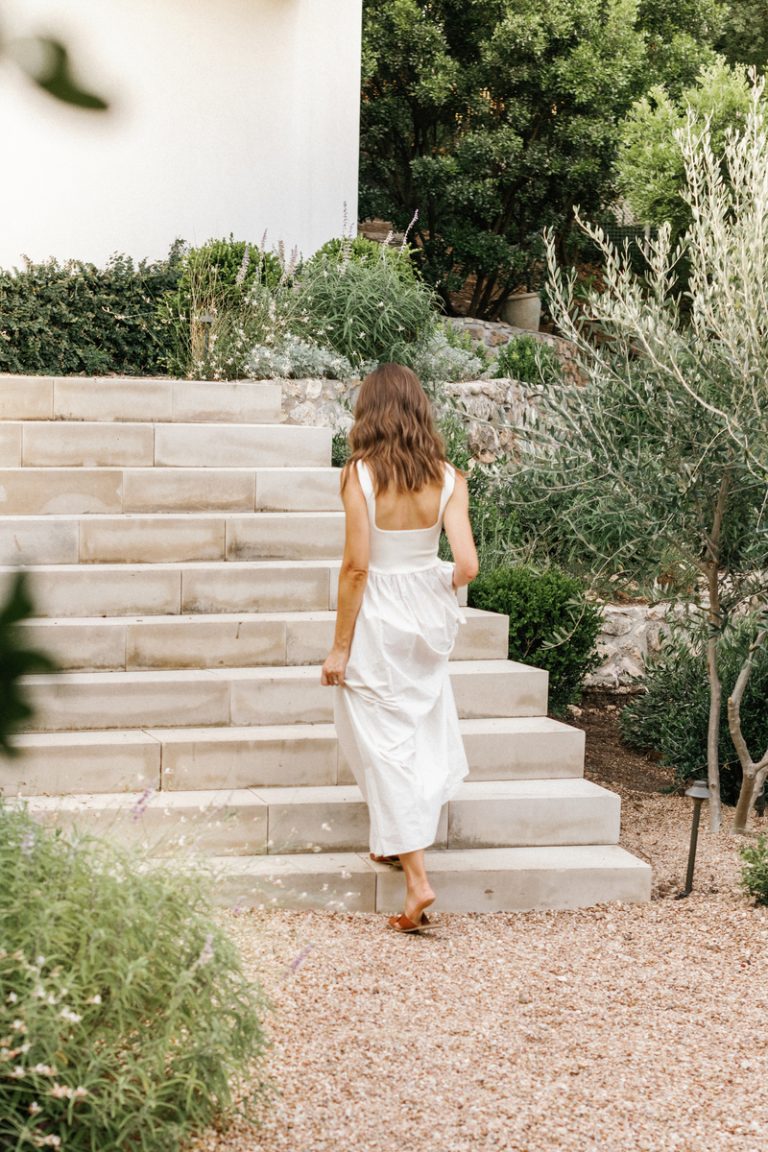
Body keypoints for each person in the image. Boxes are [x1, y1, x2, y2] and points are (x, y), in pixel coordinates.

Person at [320, 362, 479, 933]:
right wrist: (430, 584)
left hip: (379, 619)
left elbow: (357, 567)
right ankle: (393, 844)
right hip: (426, 618)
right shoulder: (450, 477)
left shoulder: (358, 475)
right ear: (419, 411)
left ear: (370, 411)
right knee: (414, 732)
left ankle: (416, 880)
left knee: (383, 744)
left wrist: (339, 647)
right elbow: (467, 566)